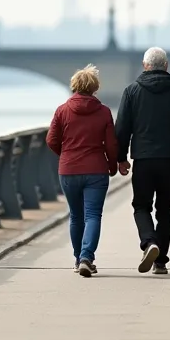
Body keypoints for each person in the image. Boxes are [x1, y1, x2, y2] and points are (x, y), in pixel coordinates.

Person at [116, 47, 170, 275]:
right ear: (166, 66)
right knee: (164, 210)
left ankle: (149, 242)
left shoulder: (131, 92)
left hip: (143, 159)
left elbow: (122, 128)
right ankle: (161, 260)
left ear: (145, 66)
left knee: (140, 205)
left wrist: (120, 158)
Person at [47, 64, 118, 278]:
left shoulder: (62, 110)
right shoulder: (104, 111)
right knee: (93, 215)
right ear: (95, 88)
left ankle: (79, 259)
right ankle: (87, 257)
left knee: (76, 216)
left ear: (74, 86)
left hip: (68, 170)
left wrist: (66, 154)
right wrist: (112, 165)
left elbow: (51, 140)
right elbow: (111, 144)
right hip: (96, 170)